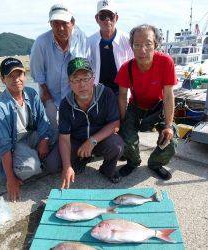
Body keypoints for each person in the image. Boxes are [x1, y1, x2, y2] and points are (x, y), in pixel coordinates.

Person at [0, 58, 60, 201]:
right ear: (3, 79)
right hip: (15, 144)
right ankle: (33, 160)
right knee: (31, 168)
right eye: (11, 76)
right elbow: (4, 146)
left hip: (31, 135)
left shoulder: (32, 93)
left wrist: (44, 140)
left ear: (25, 75)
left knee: (58, 133)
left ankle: (37, 155)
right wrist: (10, 179)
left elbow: (43, 120)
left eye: (19, 74)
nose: (16, 79)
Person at [116, 24, 178, 180]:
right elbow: (122, 96)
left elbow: (169, 95)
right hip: (135, 107)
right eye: (137, 45)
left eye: (148, 44)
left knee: (171, 140)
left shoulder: (166, 62)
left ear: (155, 45)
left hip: (158, 107)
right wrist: (122, 122)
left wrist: (169, 126)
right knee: (126, 136)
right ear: (132, 47)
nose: (142, 50)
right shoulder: (126, 68)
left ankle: (156, 163)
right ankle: (132, 161)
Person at [59, 57, 124, 189]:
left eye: (85, 78)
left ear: (93, 78)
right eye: (76, 80)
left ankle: (107, 169)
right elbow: (64, 138)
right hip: (76, 141)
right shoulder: (65, 104)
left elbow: (115, 123)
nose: (81, 84)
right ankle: (81, 160)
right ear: (69, 83)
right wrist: (67, 166)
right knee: (55, 163)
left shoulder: (106, 94)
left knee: (117, 145)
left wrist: (92, 141)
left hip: (99, 139)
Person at [30, 1, 91, 137]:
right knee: (53, 130)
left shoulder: (82, 38)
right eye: (56, 23)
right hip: (50, 92)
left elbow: (86, 67)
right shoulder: (41, 43)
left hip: (74, 93)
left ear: (72, 23)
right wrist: (45, 93)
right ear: (50, 24)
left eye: (64, 23)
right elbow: (37, 73)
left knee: (76, 130)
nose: (61, 28)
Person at [89, 0, 132, 95]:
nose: (107, 19)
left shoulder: (128, 40)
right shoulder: (89, 42)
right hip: (98, 93)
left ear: (116, 17)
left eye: (111, 15)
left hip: (122, 92)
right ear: (97, 18)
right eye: (103, 16)